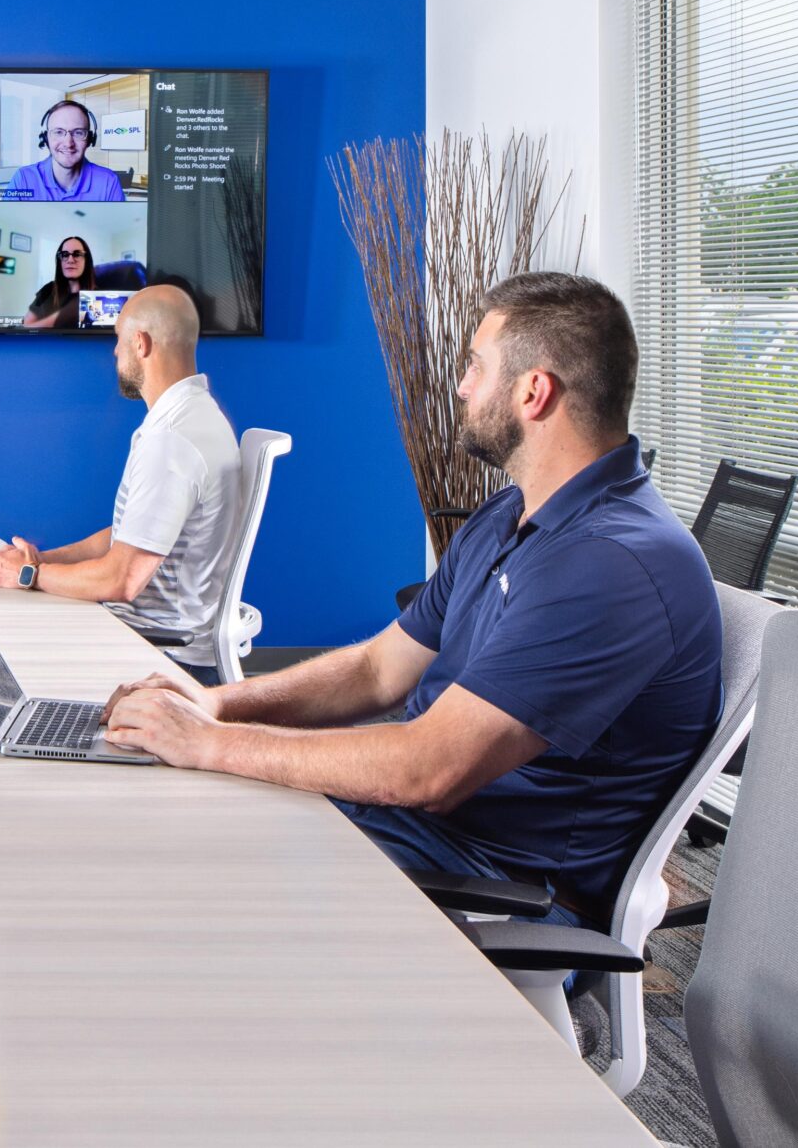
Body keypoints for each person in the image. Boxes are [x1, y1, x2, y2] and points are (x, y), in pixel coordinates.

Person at [100, 272, 721, 924]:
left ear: (534, 392)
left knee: (183, 854)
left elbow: (430, 765)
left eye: (476, 367)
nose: (461, 386)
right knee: (170, 805)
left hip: (499, 883)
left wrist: (209, 742)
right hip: (422, 832)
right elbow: (377, 670)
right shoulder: (510, 514)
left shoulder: (613, 561)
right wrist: (216, 702)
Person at [0, 287, 243, 662]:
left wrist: (27, 576)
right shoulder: (195, 416)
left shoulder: (171, 442)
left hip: (157, 655)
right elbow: (127, 537)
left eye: (118, 340)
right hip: (146, 636)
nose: (115, 352)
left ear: (140, 343)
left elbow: (122, 580)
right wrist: (41, 562)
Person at [0, 99, 125, 202]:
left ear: (90, 139)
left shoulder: (108, 181)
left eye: (78, 132)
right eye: (59, 132)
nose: (68, 143)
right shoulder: (23, 179)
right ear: (45, 138)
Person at [21, 235, 98, 331]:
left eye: (77, 254)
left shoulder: (98, 294)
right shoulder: (48, 290)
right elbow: (26, 325)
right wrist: (62, 316)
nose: (70, 260)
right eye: (65, 255)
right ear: (59, 261)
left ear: (86, 260)